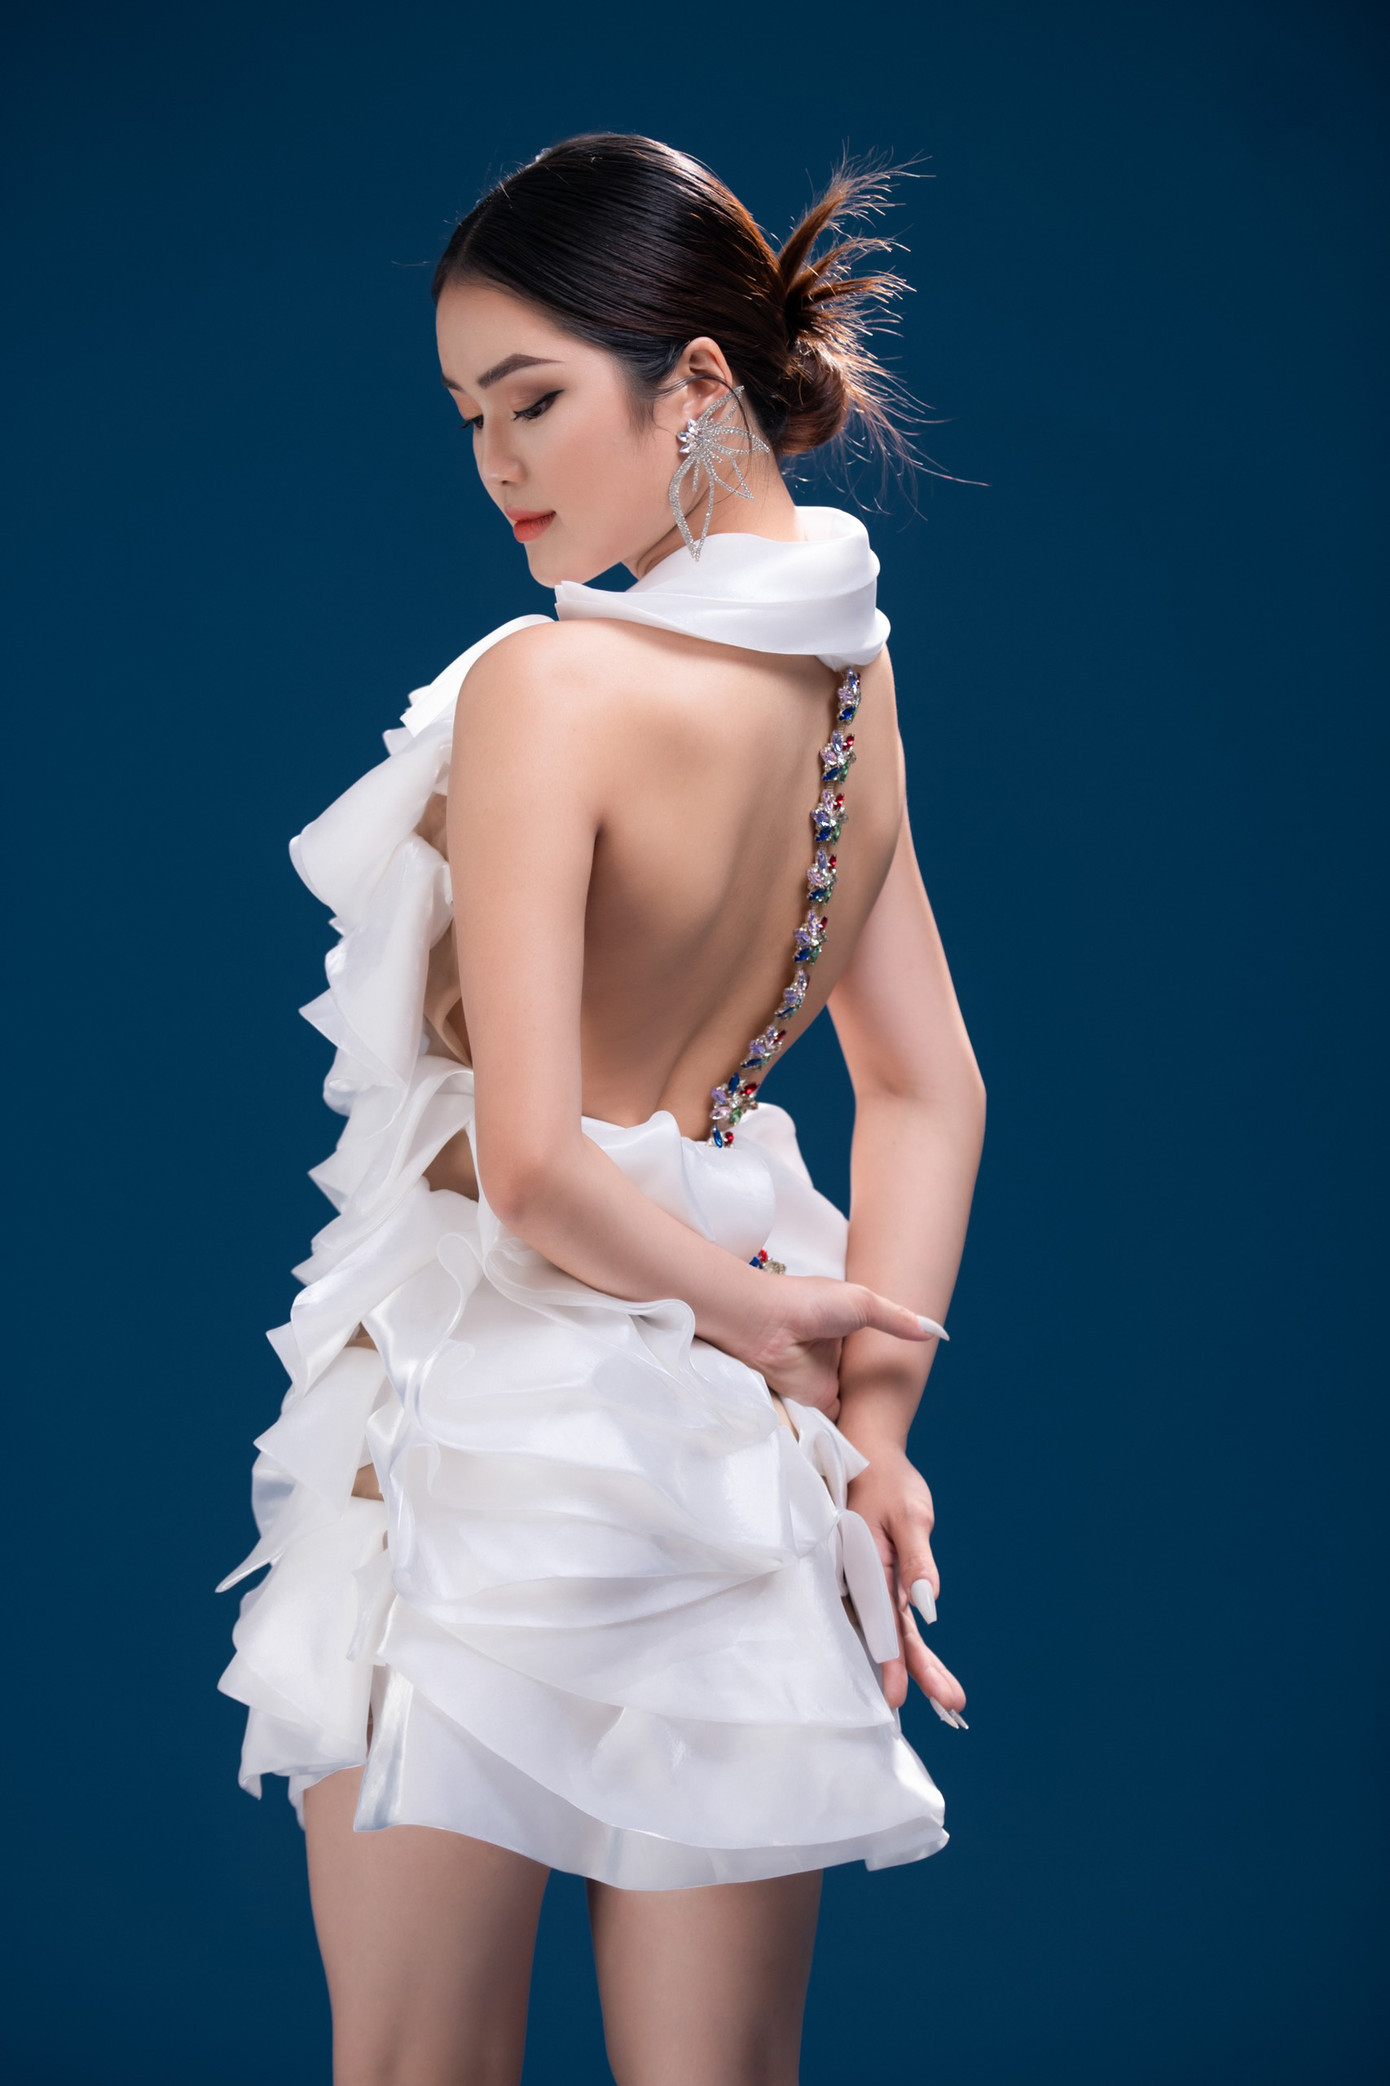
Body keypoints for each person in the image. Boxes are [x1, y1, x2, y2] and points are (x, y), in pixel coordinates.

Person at [218, 133, 986, 2086]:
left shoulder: (547, 692)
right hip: (730, 1461)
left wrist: (769, 1323)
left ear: (698, 378)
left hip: (484, 1419)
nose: (497, 461)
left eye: (534, 398)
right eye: (469, 415)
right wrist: (865, 1429)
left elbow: (539, 1163)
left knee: (415, 2061)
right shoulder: (849, 691)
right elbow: (926, 1086)